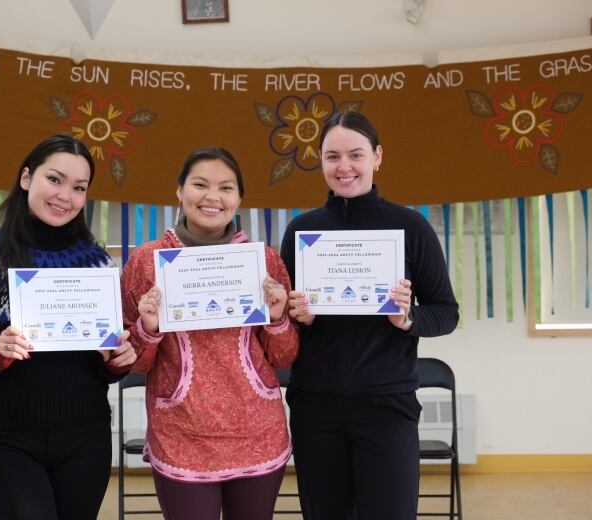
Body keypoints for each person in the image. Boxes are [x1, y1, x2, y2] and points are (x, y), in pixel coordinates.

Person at [0, 133, 136, 520]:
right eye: (54, 179)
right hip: (4, 438)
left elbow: (104, 367)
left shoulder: (98, 263)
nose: (64, 196)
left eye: (79, 187)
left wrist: (118, 360)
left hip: (85, 437)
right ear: (26, 178)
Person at [279, 111, 459, 520]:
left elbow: (447, 313)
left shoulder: (410, 226)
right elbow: (283, 322)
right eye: (332, 156)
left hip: (387, 405)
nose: (344, 167)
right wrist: (298, 317)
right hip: (315, 408)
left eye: (356, 154)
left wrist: (408, 319)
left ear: (377, 157)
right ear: (320, 161)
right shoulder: (301, 231)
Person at [121, 147, 299, 520]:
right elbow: (134, 363)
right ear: (180, 191)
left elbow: (284, 357)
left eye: (226, 187)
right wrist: (149, 328)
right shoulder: (146, 261)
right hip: (181, 433)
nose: (212, 197)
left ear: (239, 198)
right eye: (200, 184)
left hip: (258, 434)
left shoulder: (264, 259)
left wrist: (278, 317)